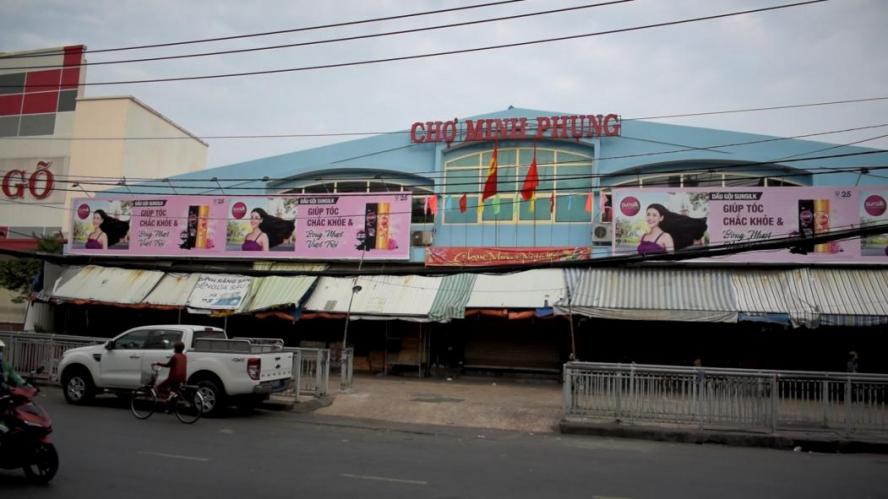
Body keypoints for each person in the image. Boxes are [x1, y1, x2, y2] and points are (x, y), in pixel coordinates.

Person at [637, 203, 707, 255]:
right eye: (648, 214)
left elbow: (671, 261)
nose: (650, 218)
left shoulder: (666, 237)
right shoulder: (642, 237)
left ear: (661, 218)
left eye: (654, 215)